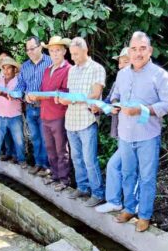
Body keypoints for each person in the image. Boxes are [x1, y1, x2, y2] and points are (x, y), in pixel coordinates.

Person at [110, 31, 168, 232]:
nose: (138, 53)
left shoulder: (160, 75)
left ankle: (145, 215)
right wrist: (114, 105)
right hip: (125, 134)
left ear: (150, 51)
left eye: (142, 49)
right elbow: (115, 95)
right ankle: (129, 208)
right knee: (127, 173)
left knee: (147, 177)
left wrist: (141, 109)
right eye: (134, 49)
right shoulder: (122, 74)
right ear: (128, 51)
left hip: (148, 135)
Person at [58, 37, 106, 207]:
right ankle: (82, 187)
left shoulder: (97, 69)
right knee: (76, 158)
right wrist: (63, 98)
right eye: (71, 54)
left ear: (86, 51)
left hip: (87, 120)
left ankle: (98, 193)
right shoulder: (72, 70)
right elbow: (71, 93)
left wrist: (71, 100)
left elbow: (95, 94)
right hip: (71, 120)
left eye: (76, 54)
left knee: (89, 160)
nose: (73, 58)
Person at [95, 47, 134, 213]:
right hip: (121, 134)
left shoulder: (137, 82)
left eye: (126, 61)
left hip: (135, 135)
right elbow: (108, 101)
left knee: (118, 167)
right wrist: (101, 107)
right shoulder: (118, 81)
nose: (121, 65)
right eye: (120, 62)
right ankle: (117, 202)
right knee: (118, 167)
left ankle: (129, 206)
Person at [36, 36, 72, 192]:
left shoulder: (68, 69)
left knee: (61, 149)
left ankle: (65, 179)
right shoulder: (47, 70)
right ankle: (55, 175)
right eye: (51, 51)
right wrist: (35, 96)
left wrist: (43, 96)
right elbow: (43, 91)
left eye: (58, 50)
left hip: (59, 115)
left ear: (64, 51)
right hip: (45, 115)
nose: (55, 53)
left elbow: (65, 93)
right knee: (50, 148)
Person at [15, 36, 52, 175]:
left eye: (32, 48)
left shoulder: (50, 62)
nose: (29, 52)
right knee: (35, 138)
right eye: (27, 50)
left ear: (40, 47)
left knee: (45, 138)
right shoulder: (25, 66)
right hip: (30, 108)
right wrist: (20, 94)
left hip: (46, 107)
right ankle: (38, 163)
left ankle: (46, 166)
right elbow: (20, 86)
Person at [0, 57, 27, 177]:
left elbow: (17, 96)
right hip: (0, 116)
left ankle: (22, 161)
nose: (6, 71)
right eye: (4, 68)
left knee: (19, 141)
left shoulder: (19, 81)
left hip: (15, 116)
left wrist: (1, 93)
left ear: (14, 69)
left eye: (9, 68)